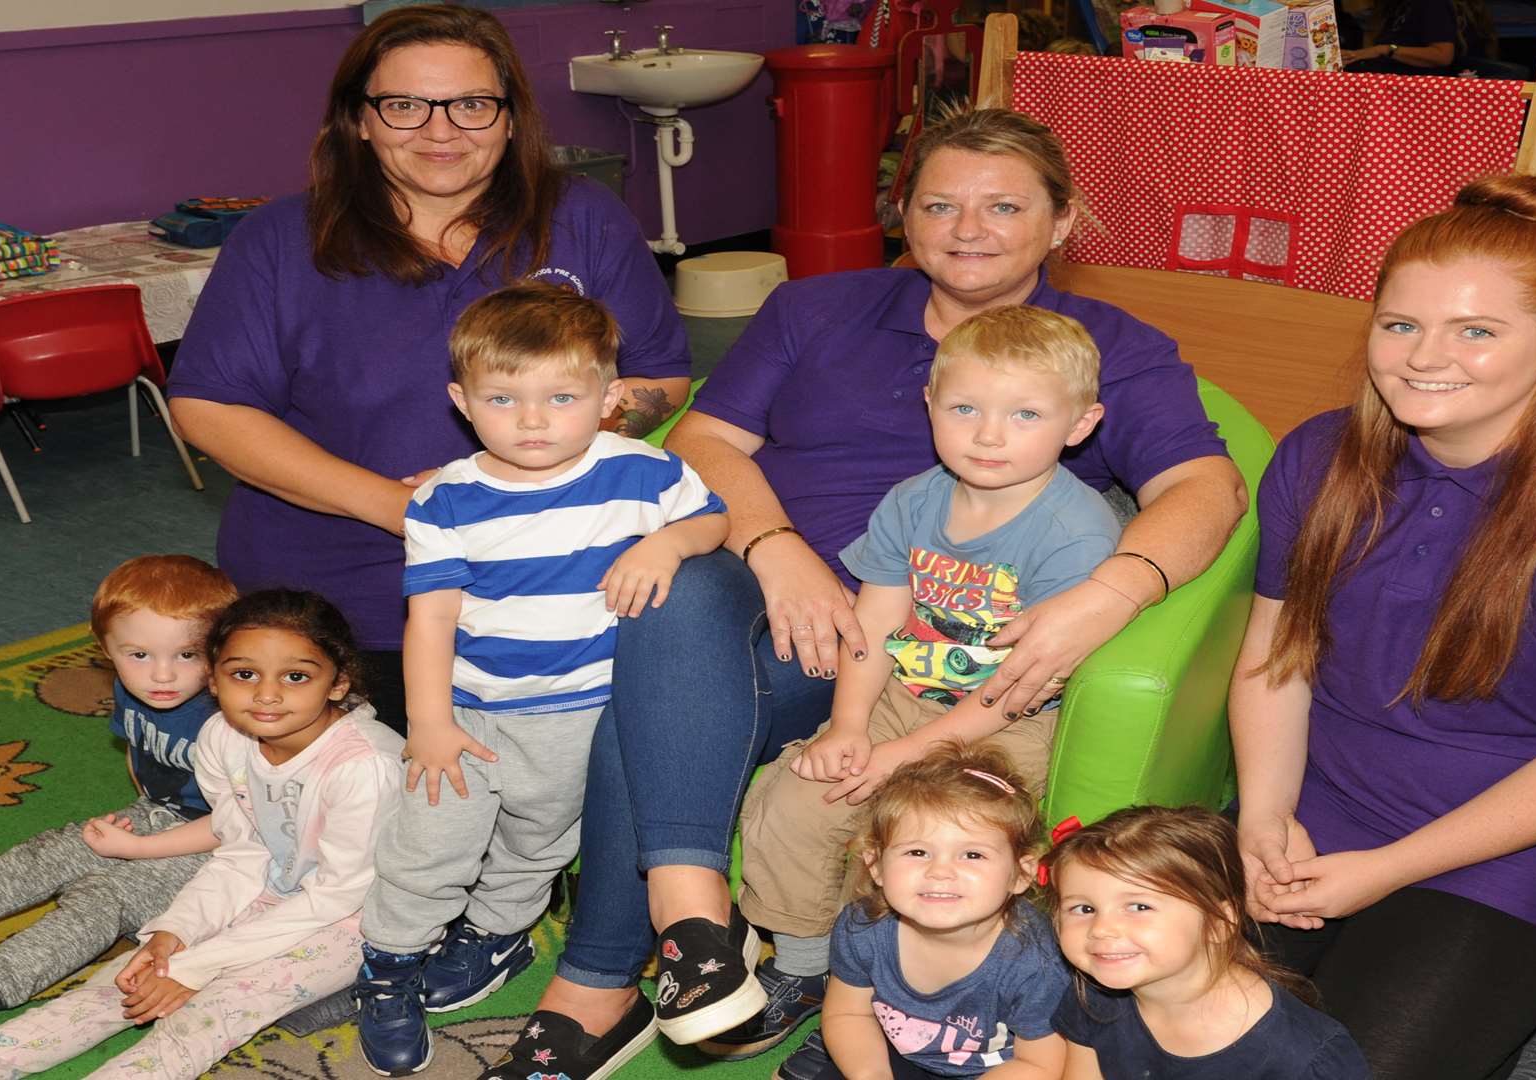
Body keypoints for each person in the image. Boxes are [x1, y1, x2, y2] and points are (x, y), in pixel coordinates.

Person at [484, 105, 1244, 1080]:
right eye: (940, 204)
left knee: (655, 705)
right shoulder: (815, 309)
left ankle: (606, 979)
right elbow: (707, 440)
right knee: (673, 600)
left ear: (1061, 222)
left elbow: (1205, 487)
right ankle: (694, 932)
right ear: (904, 215)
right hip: (775, 589)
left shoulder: (1102, 343)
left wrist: (1109, 594)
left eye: (1004, 205)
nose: (967, 228)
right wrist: (777, 546)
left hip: (920, 639)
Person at [1230, 174, 1536, 1079]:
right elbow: (1278, 656)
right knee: (1115, 1018)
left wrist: (1385, 870)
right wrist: (1264, 815)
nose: (1427, 356)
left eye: (1477, 330)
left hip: (1517, 853)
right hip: (1324, 806)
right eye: (1400, 325)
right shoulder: (1318, 456)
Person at [166, 5, 692, 738]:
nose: (440, 131)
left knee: (563, 802)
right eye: (405, 106)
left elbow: (661, 376)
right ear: (360, 120)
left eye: (472, 105)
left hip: (558, 585)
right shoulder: (281, 240)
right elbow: (210, 408)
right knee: (356, 821)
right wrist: (403, 508)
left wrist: (554, 463)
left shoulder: (586, 219)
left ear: (510, 120)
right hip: (341, 598)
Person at [730, 304, 1121, 1065]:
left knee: (949, 844)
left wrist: (904, 755)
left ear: (1080, 423)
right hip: (901, 694)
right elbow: (873, 626)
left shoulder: (1074, 531)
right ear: (930, 406)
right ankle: (814, 973)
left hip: (1007, 721)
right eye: (965, 407)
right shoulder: (913, 502)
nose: (989, 434)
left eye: (1025, 414)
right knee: (795, 795)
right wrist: (849, 728)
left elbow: (1013, 687)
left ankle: (921, 997)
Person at [352, 283, 726, 1077]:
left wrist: (669, 546)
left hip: (583, 717)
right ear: (462, 402)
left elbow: (713, 519)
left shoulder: (646, 472)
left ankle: (496, 931)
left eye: (561, 397)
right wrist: (428, 722)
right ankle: (387, 965)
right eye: (502, 398)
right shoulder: (445, 498)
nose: (531, 420)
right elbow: (433, 619)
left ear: (609, 397)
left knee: (538, 843)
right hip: (470, 714)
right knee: (427, 843)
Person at [0, 590, 404, 1080]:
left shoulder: (365, 768)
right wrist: (175, 932)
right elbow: (243, 851)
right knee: (121, 986)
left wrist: (198, 966)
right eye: (244, 674)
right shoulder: (224, 736)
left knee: (203, 1019)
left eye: (296, 676)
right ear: (213, 677)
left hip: (355, 919)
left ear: (338, 683)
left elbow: (337, 895)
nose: (266, 694)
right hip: (272, 889)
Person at [0, 556, 235, 1046]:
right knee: (54, 849)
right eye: (139, 655)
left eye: (187, 655)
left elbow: (239, 821)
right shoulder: (133, 688)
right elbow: (139, 752)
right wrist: (140, 816)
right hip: (161, 815)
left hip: (225, 845)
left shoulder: (232, 719)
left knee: (104, 898)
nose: (161, 675)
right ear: (106, 650)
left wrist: (139, 849)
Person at [793, 743, 1069, 1080]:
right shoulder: (862, 926)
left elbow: (1039, 1065)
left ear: (1021, 874)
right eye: (918, 852)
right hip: (888, 1052)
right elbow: (848, 1014)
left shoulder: (1037, 961)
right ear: (875, 865)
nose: (940, 871)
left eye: (972, 855)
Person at [1042, 806, 1370, 1079]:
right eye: (1083, 908)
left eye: (1139, 906)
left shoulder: (1302, 1057)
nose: (1101, 929)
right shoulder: (1094, 995)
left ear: (1219, 921)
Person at [1339, 0, 1493, 73]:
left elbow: (1443, 55)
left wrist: (1386, 49)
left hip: (1418, 96)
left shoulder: (1431, 5)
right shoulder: (1398, 7)